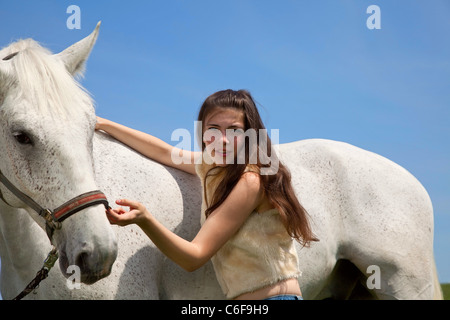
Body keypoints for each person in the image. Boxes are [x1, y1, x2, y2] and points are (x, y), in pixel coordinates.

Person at [96, 89, 318, 300]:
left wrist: (145, 220)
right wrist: (103, 123)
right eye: (213, 129)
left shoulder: (251, 181)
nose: (222, 139)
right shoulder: (215, 169)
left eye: (233, 131)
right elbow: (164, 152)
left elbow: (195, 256)